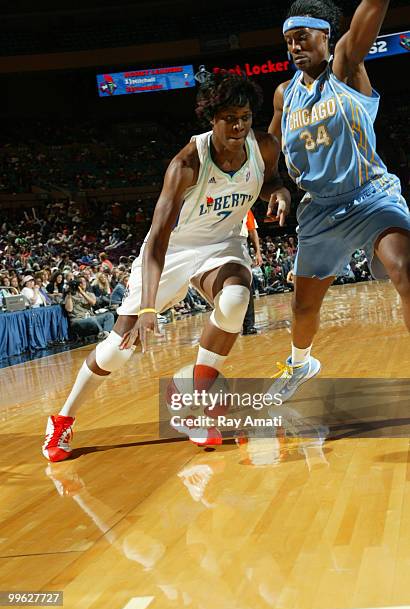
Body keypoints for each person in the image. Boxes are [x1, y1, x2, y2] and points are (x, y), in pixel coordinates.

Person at [42, 71, 290, 462]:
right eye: (229, 118)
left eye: (244, 116)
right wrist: (147, 308)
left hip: (223, 245)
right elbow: (158, 238)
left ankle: (197, 400)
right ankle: (62, 419)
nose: (239, 125)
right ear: (212, 118)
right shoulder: (187, 163)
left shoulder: (265, 146)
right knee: (118, 349)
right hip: (174, 249)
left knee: (237, 298)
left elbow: (272, 180)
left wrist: (279, 194)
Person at [268, 0, 410, 399]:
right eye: (288, 41)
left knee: (405, 268)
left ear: (325, 37)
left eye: (302, 37)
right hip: (319, 210)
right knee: (302, 309)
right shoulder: (285, 95)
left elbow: (372, 9)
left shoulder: (346, 67)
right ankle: (301, 363)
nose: (294, 47)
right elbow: (269, 147)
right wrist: (274, 185)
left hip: (371, 196)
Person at [241, 210, 263, 335]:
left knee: (246, 285)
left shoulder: (245, 207)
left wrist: (258, 253)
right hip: (220, 244)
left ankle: (248, 325)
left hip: (241, 244)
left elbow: (252, 230)